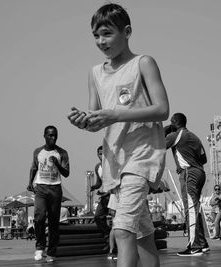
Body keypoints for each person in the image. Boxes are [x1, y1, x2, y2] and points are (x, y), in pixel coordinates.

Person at [67, 3, 169, 267]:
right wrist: (84, 122)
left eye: (107, 34)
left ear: (127, 32)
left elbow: (162, 109)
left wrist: (116, 114)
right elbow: (97, 119)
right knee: (143, 235)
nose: (101, 41)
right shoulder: (95, 73)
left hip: (142, 157)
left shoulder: (143, 63)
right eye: (96, 36)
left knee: (123, 230)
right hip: (115, 161)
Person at [165, 112, 209, 256]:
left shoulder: (174, 136)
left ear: (174, 122)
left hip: (189, 173)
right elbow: (204, 159)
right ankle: (202, 243)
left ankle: (194, 246)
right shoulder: (195, 137)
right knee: (195, 208)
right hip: (200, 172)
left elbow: (156, 146)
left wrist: (165, 130)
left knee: (190, 208)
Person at [27, 125, 70, 262]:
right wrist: (30, 182)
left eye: (55, 135)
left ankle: (51, 252)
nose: (53, 138)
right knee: (39, 217)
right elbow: (34, 168)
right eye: (50, 135)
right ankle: (40, 247)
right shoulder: (38, 151)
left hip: (55, 189)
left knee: (53, 223)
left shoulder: (62, 152)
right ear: (44, 135)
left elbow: (67, 173)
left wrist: (57, 163)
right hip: (41, 188)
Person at [90, 145, 112, 251]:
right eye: (99, 153)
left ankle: (114, 244)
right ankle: (108, 236)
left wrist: (108, 192)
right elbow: (99, 182)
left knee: (117, 220)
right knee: (98, 217)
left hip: (114, 195)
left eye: (103, 153)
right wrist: (94, 187)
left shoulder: (113, 164)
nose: (101, 155)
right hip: (105, 196)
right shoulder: (97, 167)